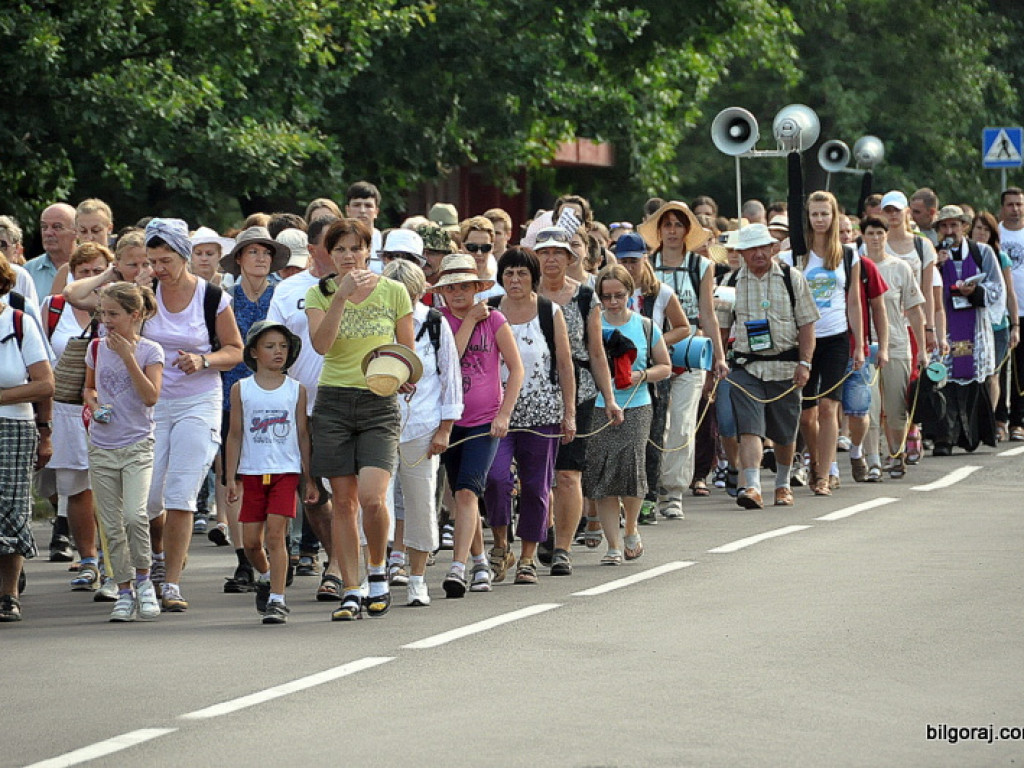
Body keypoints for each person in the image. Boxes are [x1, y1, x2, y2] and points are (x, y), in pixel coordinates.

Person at [306, 217, 414, 621]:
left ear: (369, 250)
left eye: (356, 248)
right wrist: (340, 297)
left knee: (372, 496)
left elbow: (406, 350)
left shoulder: (394, 291)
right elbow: (321, 345)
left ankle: (378, 571)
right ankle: (351, 589)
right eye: (340, 249)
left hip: (378, 400)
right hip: (333, 400)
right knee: (343, 501)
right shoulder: (318, 293)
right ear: (328, 255)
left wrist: (403, 376)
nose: (349, 256)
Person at [143, 218, 243, 612]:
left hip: (198, 401)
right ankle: (158, 555)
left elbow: (235, 350)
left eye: (165, 260)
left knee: (180, 494)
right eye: (152, 261)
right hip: (151, 404)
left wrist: (204, 360)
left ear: (184, 257)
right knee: (149, 498)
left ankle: (171, 583)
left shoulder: (211, 297)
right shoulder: (145, 293)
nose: (158, 269)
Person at [428, 254, 523, 597]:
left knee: (469, 492)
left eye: (465, 286)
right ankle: (480, 561)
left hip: (484, 420)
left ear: (476, 288)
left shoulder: (494, 319)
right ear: (442, 291)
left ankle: (457, 567)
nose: (458, 293)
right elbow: (447, 363)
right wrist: (467, 321)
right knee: (458, 493)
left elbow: (516, 369)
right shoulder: (438, 322)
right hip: (449, 420)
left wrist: (504, 414)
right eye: (451, 287)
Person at [483, 247, 575, 584]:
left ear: (533, 277)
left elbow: (564, 364)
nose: (515, 279)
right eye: (508, 273)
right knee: (496, 479)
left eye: (522, 273)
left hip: (542, 412)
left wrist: (569, 413)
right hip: (497, 413)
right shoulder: (490, 310)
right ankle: (500, 544)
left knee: (536, 486)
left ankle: (527, 557)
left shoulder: (550, 312)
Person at [639, 200, 728, 518]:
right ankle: (651, 488)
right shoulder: (646, 264)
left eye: (679, 224)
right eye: (667, 225)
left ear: (687, 230)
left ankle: (674, 491)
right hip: (651, 354)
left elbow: (708, 313)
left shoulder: (701, 266)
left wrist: (719, 357)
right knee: (654, 425)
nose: (673, 231)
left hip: (689, 351)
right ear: (659, 230)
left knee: (682, 424)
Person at [533, 227, 616, 568]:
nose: (551, 259)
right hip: (531, 390)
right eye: (544, 252)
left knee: (568, 473)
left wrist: (609, 397)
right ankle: (544, 528)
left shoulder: (584, 297)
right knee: (536, 472)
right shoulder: (523, 292)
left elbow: (596, 352)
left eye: (558, 252)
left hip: (578, 390)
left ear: (570, 258)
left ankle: (563, 549)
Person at [381, 259, 462, 606]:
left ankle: (417, 578)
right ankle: (375, 573)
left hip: (422, 426)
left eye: (410, 295)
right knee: (376, 503)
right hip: (380, 425)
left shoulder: (434, 322)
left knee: (421, 502)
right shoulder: (376, 322)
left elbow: (450, 378)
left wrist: (445, 428)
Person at [225, 321, 315, 625]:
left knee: (276, 535)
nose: (278, 352)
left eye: (283, 346)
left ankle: (278, 598)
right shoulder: (242, 389)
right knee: (251, 541)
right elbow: (235, 434)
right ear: (254, 352)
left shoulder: (296, 389)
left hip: (285, 471)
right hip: (252, 472)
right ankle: (265, 574)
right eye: (270, 346)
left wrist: (309, 478)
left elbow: (302, 434)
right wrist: (230, 477)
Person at [84, 282, 164, 622]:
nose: (106, 321)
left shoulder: (150, 351)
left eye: (113, 314)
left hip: (137, 445)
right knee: (111, 525)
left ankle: (145, 581)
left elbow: (151, 396)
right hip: (102, 446)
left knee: (134, 515)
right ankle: (124, 589)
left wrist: (128, 356)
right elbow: (89, 388)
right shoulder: (96, 348)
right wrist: (94, 405)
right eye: (103, 313)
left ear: (135, 315)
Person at [216, 227, 290, 593]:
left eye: (266, 252)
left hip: (276, 397)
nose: (261, 258)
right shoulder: (224, 299)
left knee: (279, 473)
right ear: (239, 259)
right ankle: (245, 558)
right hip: (233, 395)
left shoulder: (282, 295)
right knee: (234, 476)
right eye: (253, 252)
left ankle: (280, 551)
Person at [726, 224, 819, 509]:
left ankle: (782, 483)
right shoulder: (730, 281)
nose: (758, 253)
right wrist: (718, 360)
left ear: (773, 248)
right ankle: (753, 487)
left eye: (763, 247)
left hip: (785, 366)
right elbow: (720, 325)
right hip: (746, 366)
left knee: (784, 432)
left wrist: (804, 363)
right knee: (750, 428)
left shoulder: (792, 278)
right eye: (751, 248)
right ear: (741, 252)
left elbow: (807, 323)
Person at [584, 264, 669, 564]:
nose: (613, 302)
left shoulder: (645, 325)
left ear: (630, 293)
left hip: (636, 403)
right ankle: (613, 545)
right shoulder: (593, 325)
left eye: (619, 295)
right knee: (603, 474)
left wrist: (641, 375)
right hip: (597, 405)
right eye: (606, 296)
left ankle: (631, 526)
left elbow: (665, 366)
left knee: (632, 470)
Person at [781, 190, 864, 496]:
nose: (819, 219)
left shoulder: (849, 255)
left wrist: (859, 344)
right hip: (804, 338)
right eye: (814, 214)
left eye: (824, 214)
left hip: (836, 337)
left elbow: (854, 302)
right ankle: (815, 461)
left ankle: (825, 475)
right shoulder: (794, 256)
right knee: (807, 414)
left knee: (829, 408)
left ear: (834, 216)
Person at [267, 217, 336, 584]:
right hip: (300, 406)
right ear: (312, 250)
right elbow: (271, 344)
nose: (341, 251)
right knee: (313, 494)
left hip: (348, 403)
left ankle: (343, 567)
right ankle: (337, 558)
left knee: (349, 491)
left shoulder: (366, 287)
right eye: (332, 243)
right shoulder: (287, 290)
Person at [43, 243, 111, 595]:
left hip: (109, 407)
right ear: (72, 275)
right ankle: (88, 559)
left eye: (98, 270)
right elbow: (41, 357)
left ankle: (114, 561)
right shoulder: (54, 307)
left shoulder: (119, 306)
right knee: (75, 488)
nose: (92, 277)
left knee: (110, 486)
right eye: (84, 272)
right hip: (66, 408)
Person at [614, 232, 690, 524]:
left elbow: (683, 327)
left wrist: (654, 342)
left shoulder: (660, 292)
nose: (629, 267)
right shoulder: (608, 290)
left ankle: (648, 498)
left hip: (652, 372)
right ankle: (621, 497)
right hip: (618, 372)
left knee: (652, 436)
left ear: (645, 259)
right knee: (619, 435)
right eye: (624, 261)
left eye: (634, 261)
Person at [0, 255, 55, 622]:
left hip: (13, 427)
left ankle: (8, 594)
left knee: (10, 509)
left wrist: (45, 432)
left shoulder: (18, 322)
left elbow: (45, 384)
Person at [929, 206, 1003, 454]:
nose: (949, 231)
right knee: (944, 380)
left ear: (964, 226)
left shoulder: (982, 252)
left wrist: (976, 291)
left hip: (975, 324)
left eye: (954, 225)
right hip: (946, 325)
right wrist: (936, 267)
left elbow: (996, 287)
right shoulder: (933, 255)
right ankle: (944, 438)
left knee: (974, 380)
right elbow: (923, 287)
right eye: (944, 226)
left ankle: (971, 435)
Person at [859, 217, 927, 479]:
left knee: (896, 409)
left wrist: (922, 349)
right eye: (870, 233)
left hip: (897, 344)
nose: (875, 238)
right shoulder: (855, 267)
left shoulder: (900, 267)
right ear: (863, 236)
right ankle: (873, 460)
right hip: (866, 345)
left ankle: (897, 454)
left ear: (886, 235)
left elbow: (914, 310)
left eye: (880, 233)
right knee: (869, 407)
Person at [971, 210, 1018, 437]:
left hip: (997, 325)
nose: (981, 233)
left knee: (993, 374)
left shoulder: (1000, 257)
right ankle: (971, 423)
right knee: (972, 374)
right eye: (978, 228)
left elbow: (1009, 292)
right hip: (971, 324)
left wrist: (1015, 326)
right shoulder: (965, 254)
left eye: (986, 229)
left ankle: (989, 422)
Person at [997, 188, 1024, 440]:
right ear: (1002, 207)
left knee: (1021, 372)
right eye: (1010, 205)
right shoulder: (997, 233)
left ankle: (1018, 421)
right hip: (1000, 313)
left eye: (1019, 204)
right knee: (999, 369)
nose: (1015, 209)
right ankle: (999, 421)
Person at [25, 203, 77, 298]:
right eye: (44, 227)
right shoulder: (28, 270)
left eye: (57, 227)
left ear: (76, 231)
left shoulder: (91, 268)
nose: (48, 233)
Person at [460, 216, 504, 301]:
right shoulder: (451, 281)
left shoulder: (502, 282)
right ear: (462, 247)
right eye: (472, 247)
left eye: (485, 248)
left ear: (492, 248)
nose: (479, 253)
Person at [345, 181, 384, 271]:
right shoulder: (337, 243)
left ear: (376, 212)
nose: (362, 210)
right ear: (348, 210)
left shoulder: (384, 243)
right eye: (357, 205)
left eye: (368, 206)